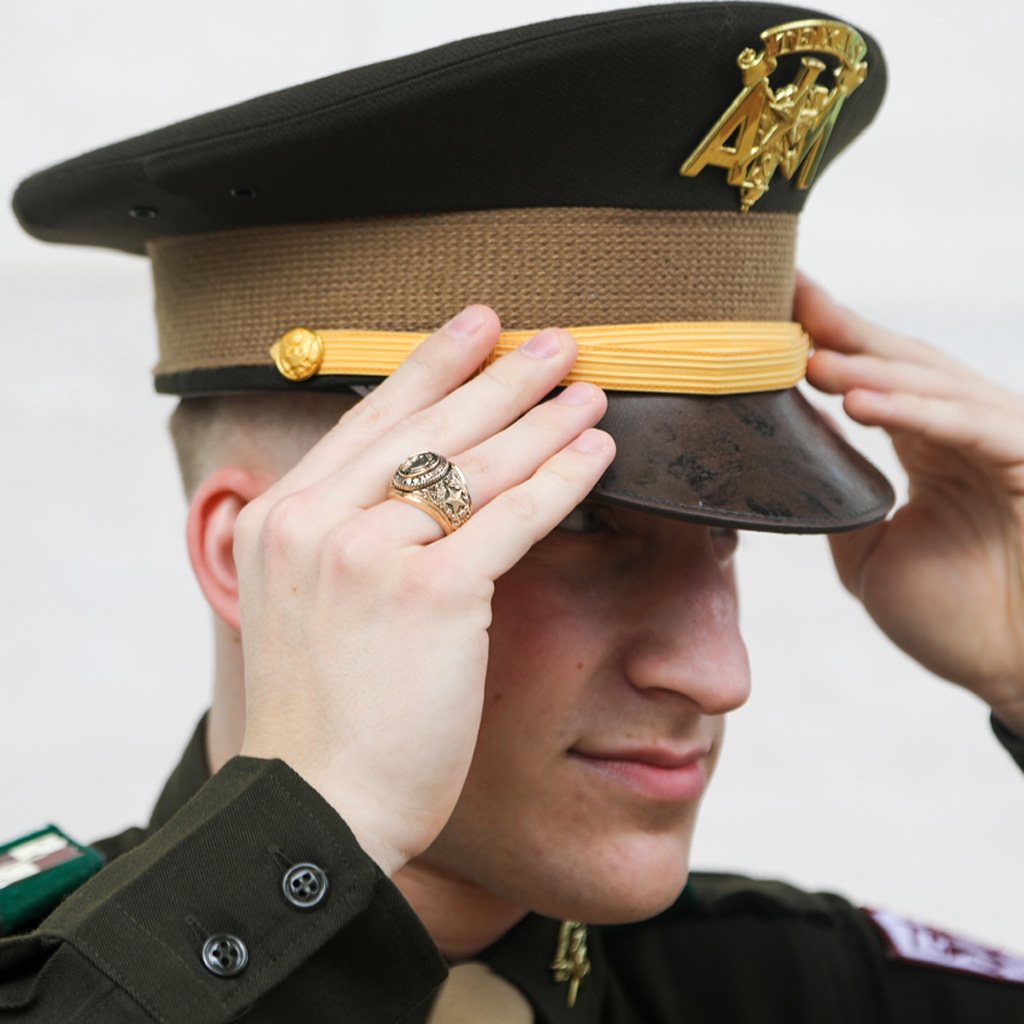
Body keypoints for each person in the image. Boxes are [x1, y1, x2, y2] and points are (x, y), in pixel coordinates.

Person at [3, 3, 1024, 1021]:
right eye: (573, 521)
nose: (721, 675)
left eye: (723, 533)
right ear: (244, 556)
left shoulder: (797, 989)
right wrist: (305, 836)